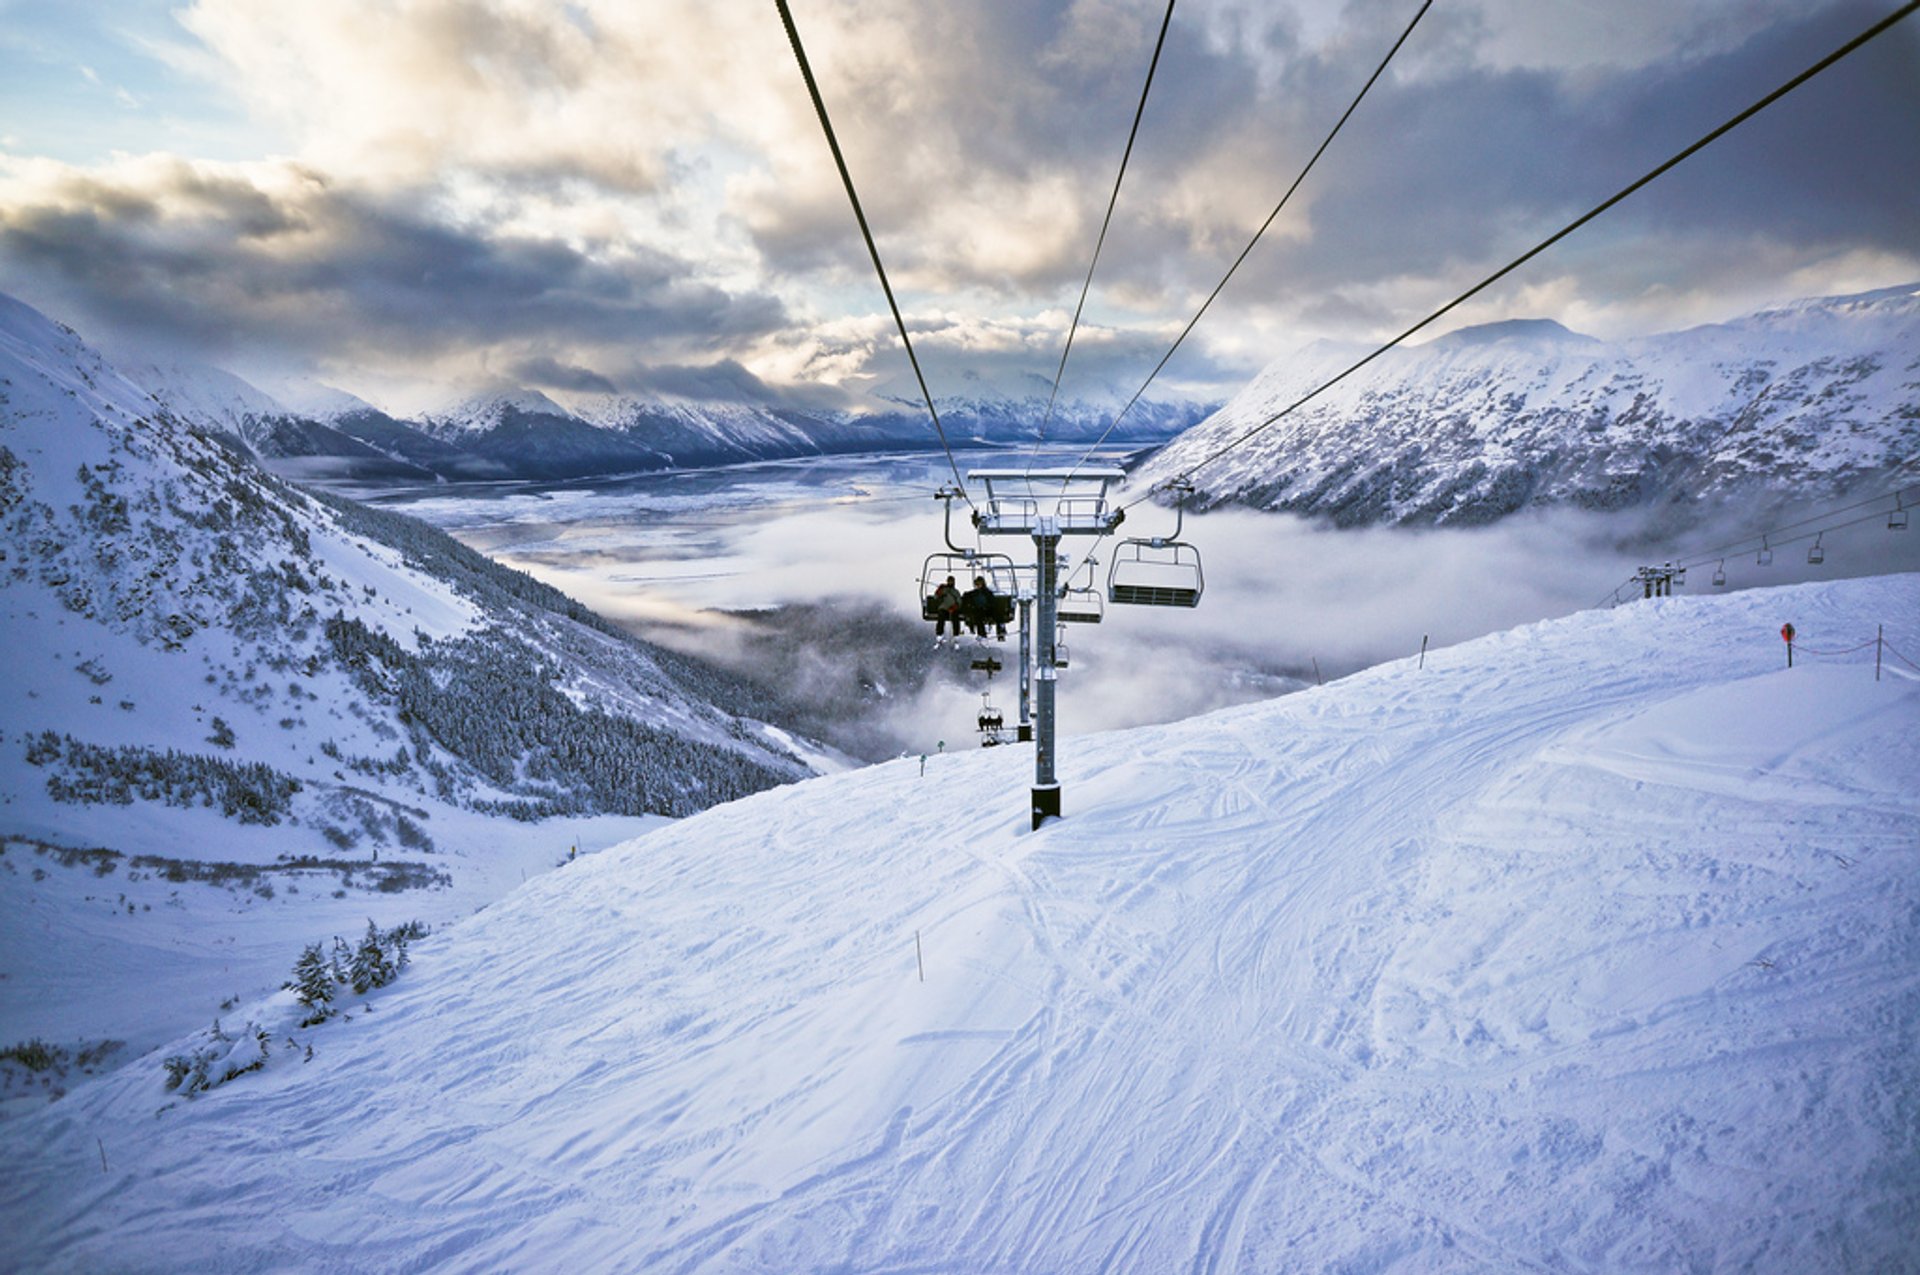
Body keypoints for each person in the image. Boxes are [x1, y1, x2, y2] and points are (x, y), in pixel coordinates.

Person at [962, 575, 1006, 641]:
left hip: (987, 609)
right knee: (978, 616)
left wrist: (989, 606)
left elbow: (992, 601)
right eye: (977, 584)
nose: (978, 585)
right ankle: (982, 634)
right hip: (979, 610)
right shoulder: (974, 593)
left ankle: (1001, 632)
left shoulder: (987, 592)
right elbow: (966, 596)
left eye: (980, 584)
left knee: (997, 613)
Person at [930, 575, 964, 647]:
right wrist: (939, 591)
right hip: (944, 608)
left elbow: (959, 601)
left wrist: (955, 607)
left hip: (953, 609)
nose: (950, 582)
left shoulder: (955, 592)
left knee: (955, 619)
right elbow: (935, 597)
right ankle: (940, 634)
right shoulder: (944, 589)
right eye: (949, 581)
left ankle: (956, 635)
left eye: (952, 581)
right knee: (941, 617)